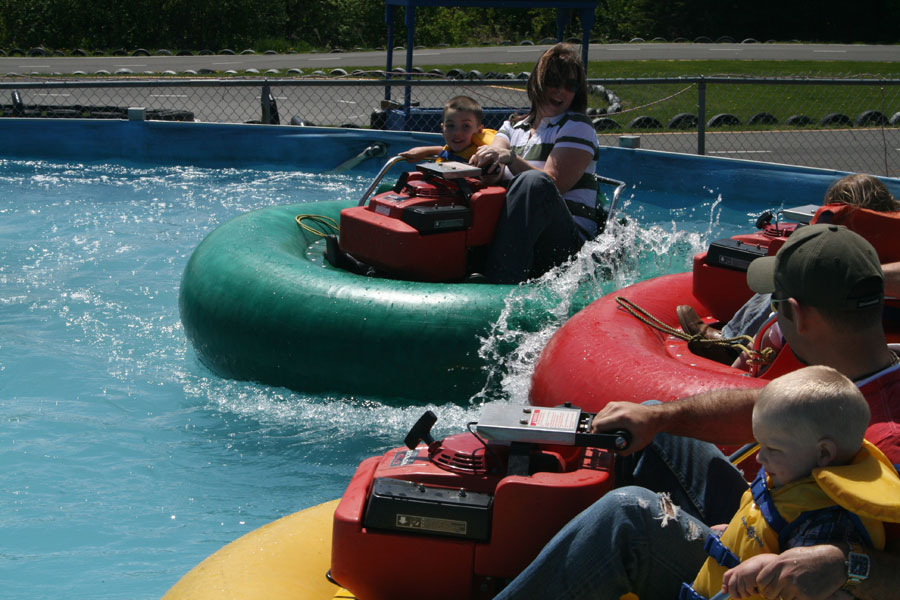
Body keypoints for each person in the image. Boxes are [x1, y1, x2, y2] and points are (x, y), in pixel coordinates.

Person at [494, 224, 900, 600]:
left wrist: (848, 565)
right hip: (764, 523)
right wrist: (660, 419)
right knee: (656, 420)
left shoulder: (889, 442)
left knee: (630, 516)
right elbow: (761, 407)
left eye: (775, 306)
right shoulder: (844, 382)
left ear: (798, 314)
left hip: (762, 576)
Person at [681, 366, 900, 600]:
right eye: (760, 445)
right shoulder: (791, 475)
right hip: (715, 581)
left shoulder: (825, 520)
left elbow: (802, 583)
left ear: (824, 453)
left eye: (772, 449)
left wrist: (771, 569)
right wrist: (735, 532)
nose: (759, 458)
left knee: (636, 507)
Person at [679, 173, 900, 344]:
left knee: (785, 279)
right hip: (887, 315)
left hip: (837, 309)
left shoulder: (839, 240)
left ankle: (732, 340)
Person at [468, 43, 602, 284]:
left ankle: (501, 280)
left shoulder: (578, 126)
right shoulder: (513, 126)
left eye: (569, 85)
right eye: (553, 81)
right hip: (520, 235)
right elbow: (498, 149)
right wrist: (489, 165)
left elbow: (551, 184)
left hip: (567, 244)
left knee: (534, 182)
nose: (560, 91)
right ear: (537, 82)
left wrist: (509, 158)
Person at [398, 95, 496, 164]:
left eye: (466, 126)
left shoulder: (480, 156)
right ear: (443, 129)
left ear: (479, 131)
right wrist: (425, 150)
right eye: (450, 126)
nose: (457, 133)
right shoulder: (453, 148)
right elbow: (448, 152)